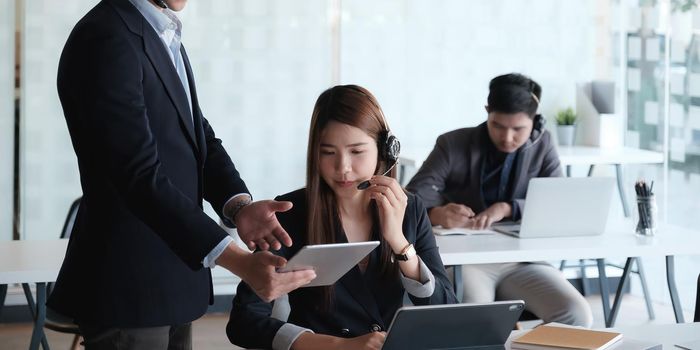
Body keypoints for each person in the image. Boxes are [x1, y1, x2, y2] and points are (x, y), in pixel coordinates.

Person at [48, 0, 315, 348]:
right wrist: (239, 261)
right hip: (130, 285)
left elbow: (196, 134)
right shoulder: (106, 37)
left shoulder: (161, 30)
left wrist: (238, 206)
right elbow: (137, 176)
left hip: (171, 279)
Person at [227, 85, 457, 350]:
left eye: (357, 152)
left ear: (385, 151)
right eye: (328, 153)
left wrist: (399, 242)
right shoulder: (290, 213)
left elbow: (445, 311)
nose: (343, 168)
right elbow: (244, 322)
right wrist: (336, 345)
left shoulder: (409, 208)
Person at [406, 73, 593, 327]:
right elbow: (413, 197)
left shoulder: (543, 144)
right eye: (498, 126)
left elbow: (558, 204)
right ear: (487, 112)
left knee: (576, 313)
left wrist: (508, 208)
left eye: (518, 129)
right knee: (481, 320)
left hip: (523, 262)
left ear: (534, 120)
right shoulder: (453, 143)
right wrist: (437, 213)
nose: (507, 137)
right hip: (467, 262)